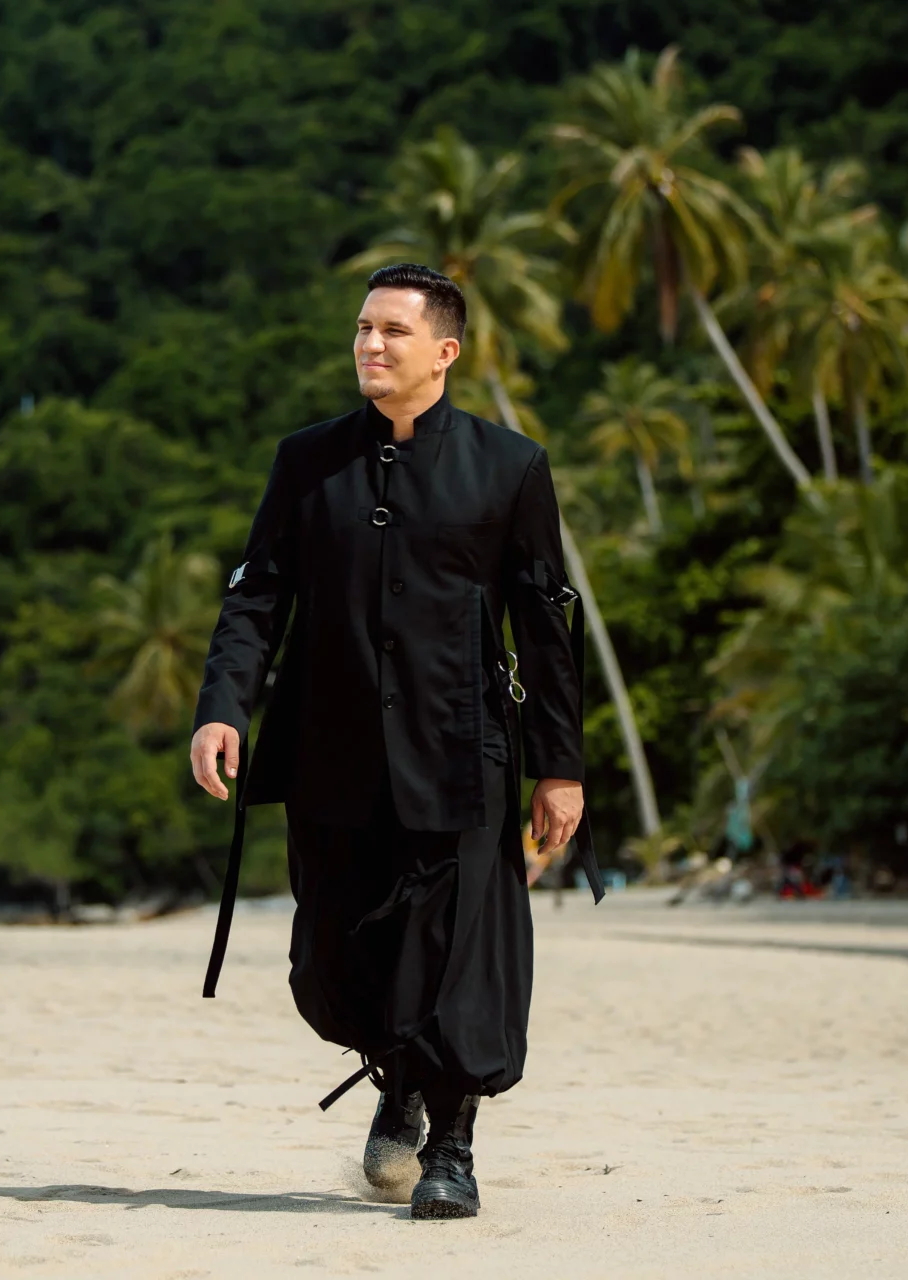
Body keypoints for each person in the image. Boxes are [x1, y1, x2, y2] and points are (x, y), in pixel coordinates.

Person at [189, 263, 601, 1221]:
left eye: (393, 332)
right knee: (334, 959)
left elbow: (545, 626)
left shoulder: (509, 466)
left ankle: (451, 1145)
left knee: (459, 948)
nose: (370, 345)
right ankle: (399, 1076)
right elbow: (257, 595)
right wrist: (222, 707)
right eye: (363, 329)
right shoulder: (307, 462)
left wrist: (561, 768)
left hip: (462, 750)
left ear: (444, 352)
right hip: (330, 752)